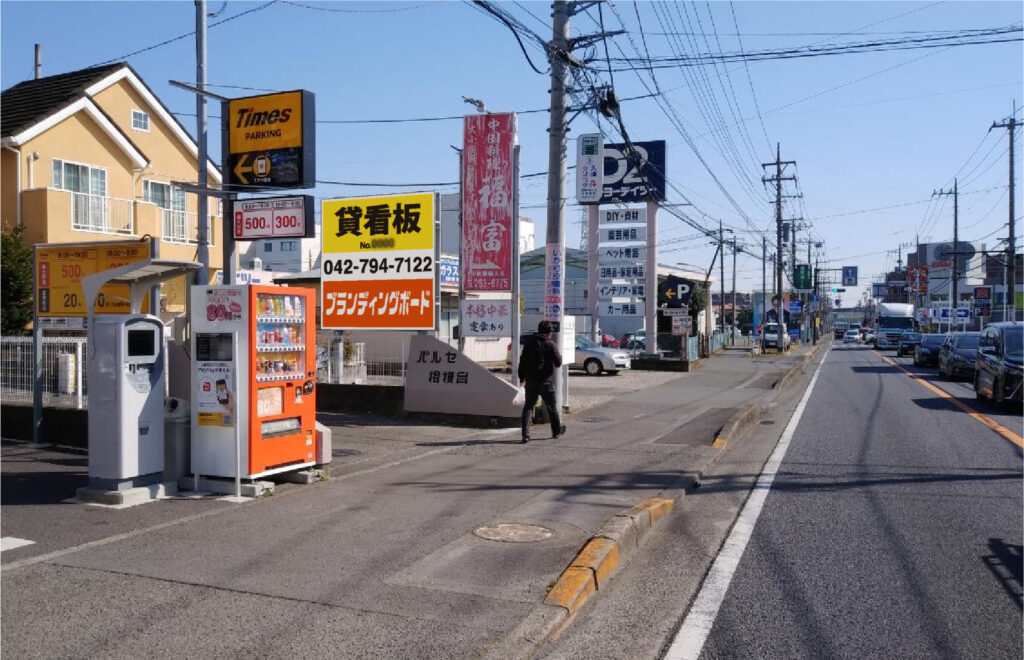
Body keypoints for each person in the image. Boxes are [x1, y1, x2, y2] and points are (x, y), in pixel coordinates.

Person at [517, 320, 566, 444]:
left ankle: (525, 436)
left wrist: (521, 378)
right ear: (549, 332)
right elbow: (558, 363)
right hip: (546, 382)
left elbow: (522, 362)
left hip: (531, 382)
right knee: (552, 407)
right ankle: (556, 432)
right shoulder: (551, 344)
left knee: (528, 407)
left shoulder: (529, 344)